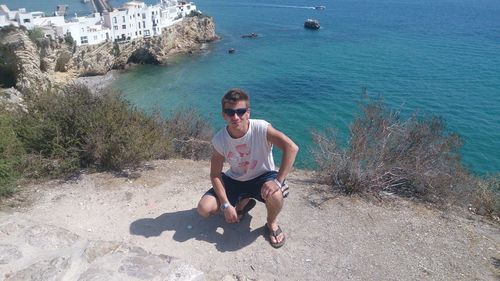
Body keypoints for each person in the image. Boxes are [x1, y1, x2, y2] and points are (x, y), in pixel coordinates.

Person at [197, 88, 299, 248]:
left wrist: (278, 181)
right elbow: (215, 174)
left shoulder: (261, 129)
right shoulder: (219, 139)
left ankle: (271, 223)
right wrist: (225, 205)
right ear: (224, 115)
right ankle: (243, 202)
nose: (235, 117)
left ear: (248, 112)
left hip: (263, 177)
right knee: (204, 208)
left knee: (276, 195)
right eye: (230, 112)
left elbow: (291, 148)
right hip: (235, 179)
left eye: (240, 111)